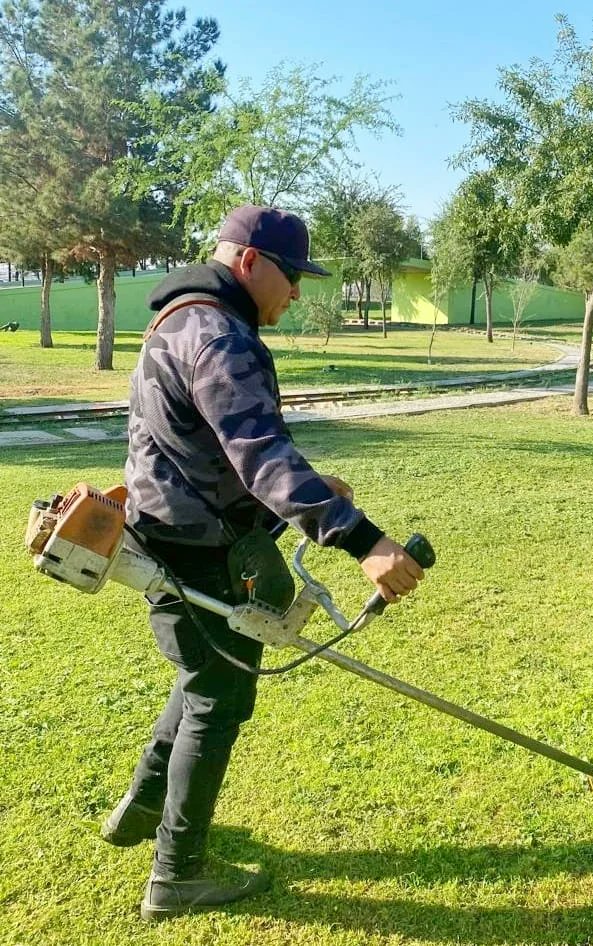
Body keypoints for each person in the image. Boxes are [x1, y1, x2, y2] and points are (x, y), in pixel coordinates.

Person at [101, 204, 425, 921]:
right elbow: (261, 455)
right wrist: (365, 541)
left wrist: (310, 489)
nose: (298, 293)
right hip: (202, 551)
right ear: (249, 261)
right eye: (292, 275)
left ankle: (141, 809)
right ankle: (176, 875)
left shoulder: (179, 319)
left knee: (203, 680)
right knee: (218, 698)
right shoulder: (220, 336)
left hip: (169, 536)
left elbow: (210, 449)